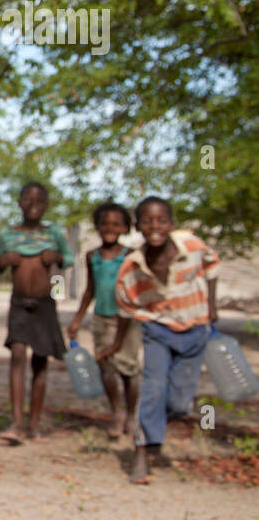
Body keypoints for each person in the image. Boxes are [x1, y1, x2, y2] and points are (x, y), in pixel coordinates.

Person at [103, 196, 220, 484]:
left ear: (172, 223)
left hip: (194, 330)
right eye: (147, 221)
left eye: (161, 220)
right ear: (138, 226)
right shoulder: (131, 266)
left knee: (180, 404)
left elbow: (212, 267)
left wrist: (212, 305)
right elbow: (124, 309)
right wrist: (117, 343)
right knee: (153, 388)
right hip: (158, 332)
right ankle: (141, 452)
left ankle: (154, 428)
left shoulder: (192, 246)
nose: (155, 226)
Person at [0, 181, 73, 445]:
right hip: (19, 303)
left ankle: (34, 424)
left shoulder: (54, 233)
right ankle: (16, 422)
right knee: (18, 355)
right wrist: (6, 261)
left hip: (44, 304)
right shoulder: (8, 234)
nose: (33, 205)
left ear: (47, 205)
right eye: (28, 200)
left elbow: (68, 259)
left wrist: (56, 258)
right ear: (19, 203)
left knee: (40, 361)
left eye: (40, 201)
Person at [67, 201, 142, 439]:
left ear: (124, 228)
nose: (110, 228)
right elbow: (90, 290)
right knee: (105, 366)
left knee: (128, 370)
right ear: (98, 227)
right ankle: (117, 412)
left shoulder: (130, 256)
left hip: (127, 321)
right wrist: (77, 320)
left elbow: (134, 292)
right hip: (101, 319)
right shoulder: (93, 256)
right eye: (105, 224)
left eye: (116, 224)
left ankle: (132, 414)